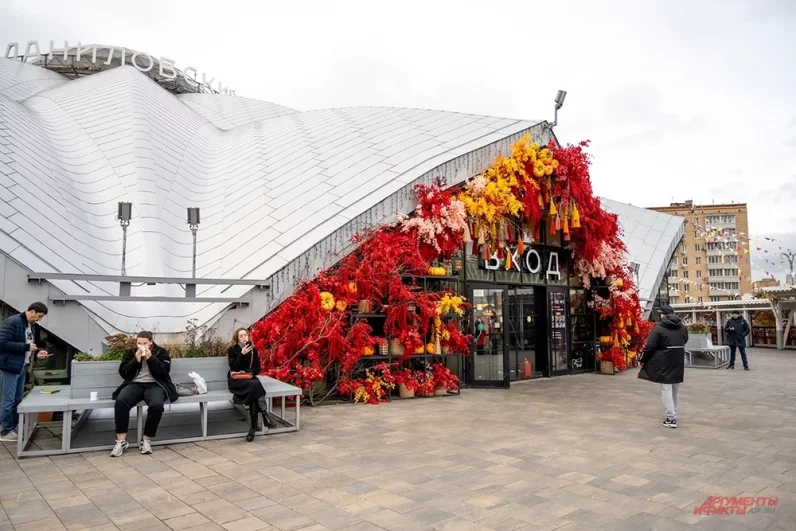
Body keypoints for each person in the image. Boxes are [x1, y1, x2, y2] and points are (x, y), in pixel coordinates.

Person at [110, 331, 178, 456]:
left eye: (145, 343)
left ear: (151, 342)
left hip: (155, 385)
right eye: (139, 343)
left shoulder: (161, 352)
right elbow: (124, 373)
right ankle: (121, 441)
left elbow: (164, 372)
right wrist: (135, 361)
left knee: (157, 405)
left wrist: (151, 358)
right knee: (121, 402)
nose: (141, 345)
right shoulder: (131, 353)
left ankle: (146, 440)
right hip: (135, 384)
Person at [0, 303, 49, 442]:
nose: (39, 319)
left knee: (17, 399)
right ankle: (5, 431)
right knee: (8, 400)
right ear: (32, 311)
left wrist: (38, 351)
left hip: (22, 366)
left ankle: (13, 427)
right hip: (9, 366)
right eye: (39, 316)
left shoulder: (33, 326)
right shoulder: (13, 322)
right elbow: (2, 343)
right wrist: (26, 347)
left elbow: (32, 344)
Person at [638, 306, 688, 428]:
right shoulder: (682, 327)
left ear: (663, 315)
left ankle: (671, 418)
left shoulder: (659, 328)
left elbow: (650, 346)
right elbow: (685, 339)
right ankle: (673, 412)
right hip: (678, 359)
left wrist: (642, 359)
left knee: (666, 388)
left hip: (664, 360)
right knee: (675, 388)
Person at [228, 328, 276, 442]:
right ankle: (265, 415)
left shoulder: (253, 350)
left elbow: (257, 368)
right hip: (237, 380)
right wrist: (242, 354)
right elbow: (233, 366)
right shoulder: (232, 350)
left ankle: (253, 429)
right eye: (241, 336)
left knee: (254, 392)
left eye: (245, 335)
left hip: (249, 378)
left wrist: (248, 371)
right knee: (255, 385)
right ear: (237, 338)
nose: (244, 337)